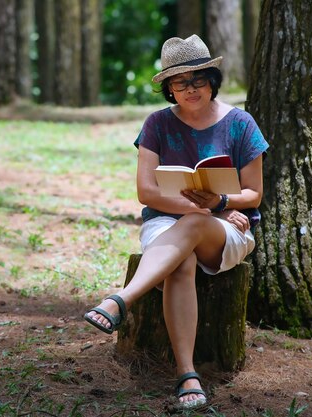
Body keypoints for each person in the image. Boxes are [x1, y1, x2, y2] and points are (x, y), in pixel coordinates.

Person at [83, 34, 269, 410]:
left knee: (196, 225)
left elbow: (254, 195)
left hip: (226, 229)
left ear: (212, 80)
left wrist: (218, 205)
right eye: (180, 81)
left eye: (198, 78)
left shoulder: (241, 124)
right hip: (167, 224)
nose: (191, 88)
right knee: (180, 261)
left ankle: (121, 300)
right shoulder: (156, 125)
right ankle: (187, 373)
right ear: (169, 87)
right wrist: (204, 208)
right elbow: (147, 193)